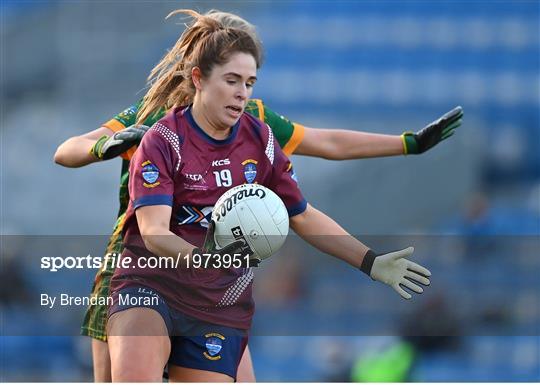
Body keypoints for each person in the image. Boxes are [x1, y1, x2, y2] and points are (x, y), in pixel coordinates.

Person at [53, 10, 462, 382]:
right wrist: (102, 147)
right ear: (199, 70)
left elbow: (326, 146)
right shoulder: (153, 119)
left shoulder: (255, 124)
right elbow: (66, 152)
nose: (242, 89)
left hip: (209, 283)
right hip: (141, 266)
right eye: (233, 78)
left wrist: (406, 144)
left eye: (248, 80)